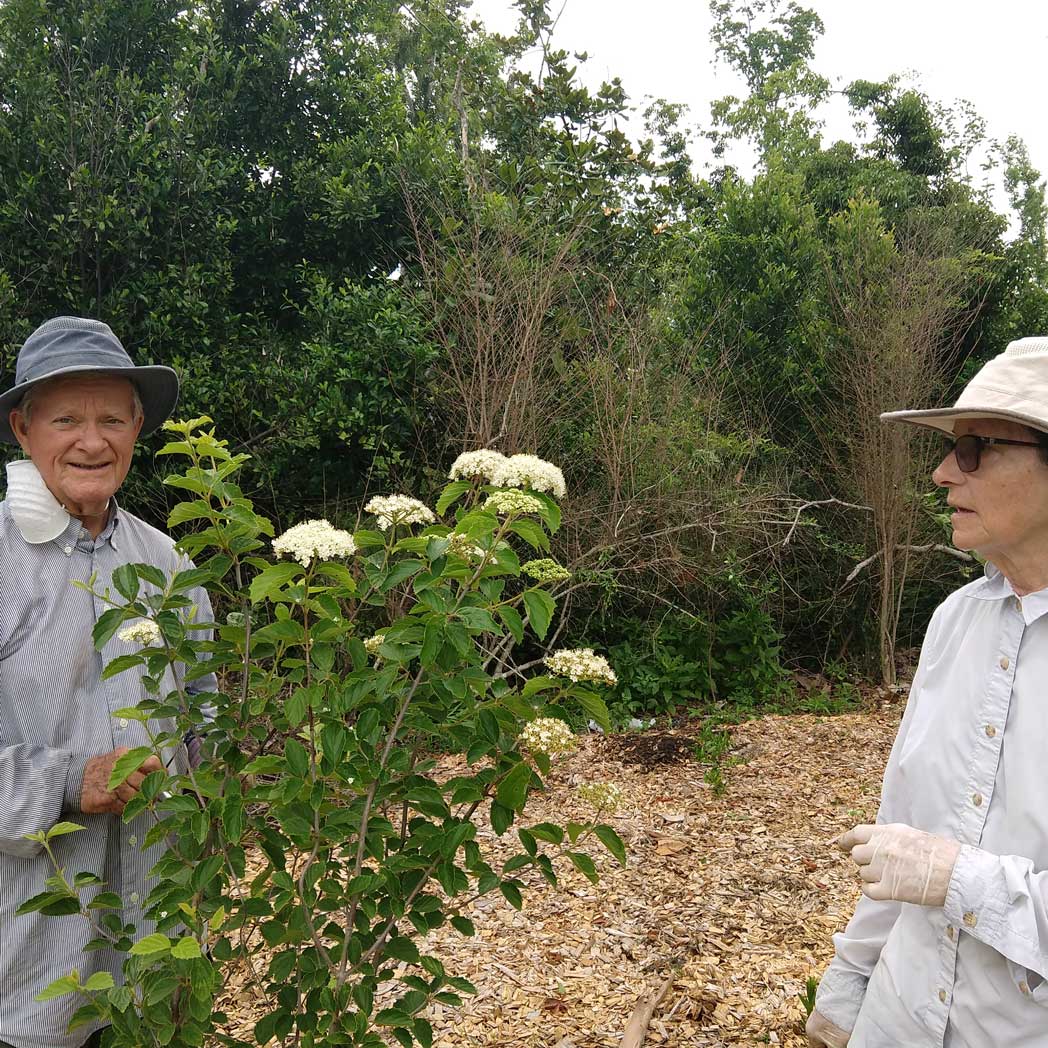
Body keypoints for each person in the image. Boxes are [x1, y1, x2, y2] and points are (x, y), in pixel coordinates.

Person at [807, 336, 1048, 1047]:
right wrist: (848, 989)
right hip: (898, 1019)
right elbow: (902, 830)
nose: (944, 472)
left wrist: (958, 878)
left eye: (975, 449)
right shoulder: (954, 621)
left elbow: (932, 867)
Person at [0, 317, 214, 1048]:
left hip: (156, 954)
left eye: (111, 419)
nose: (92, 442)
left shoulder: (169, 565)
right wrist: (65, 785)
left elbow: (203, 721)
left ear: (138, 427)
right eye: (66, 419)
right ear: (22, 431)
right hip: (27, 966)